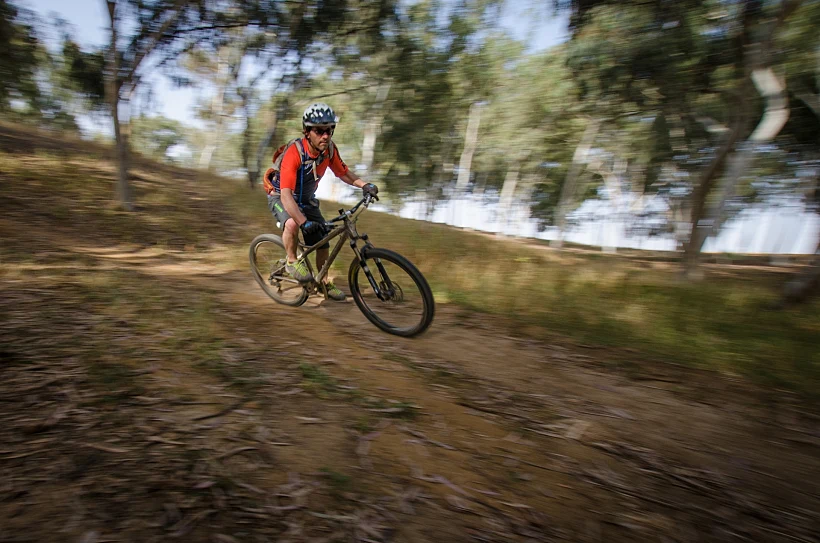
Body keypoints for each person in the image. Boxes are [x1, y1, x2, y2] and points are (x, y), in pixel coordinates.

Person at [263, 103, 379, 301]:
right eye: (319, 131)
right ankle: (291, 261)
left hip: (306, 199)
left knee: (322, 240)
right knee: (292, 223)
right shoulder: (295, 153)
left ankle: (323, 282)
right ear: (307, 131)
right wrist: (303, 221)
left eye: (329, 130)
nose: (326, 136)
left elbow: (343, 173)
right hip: (281, 195)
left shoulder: (329, 150)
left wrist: (364, 185)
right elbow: (286, 196)